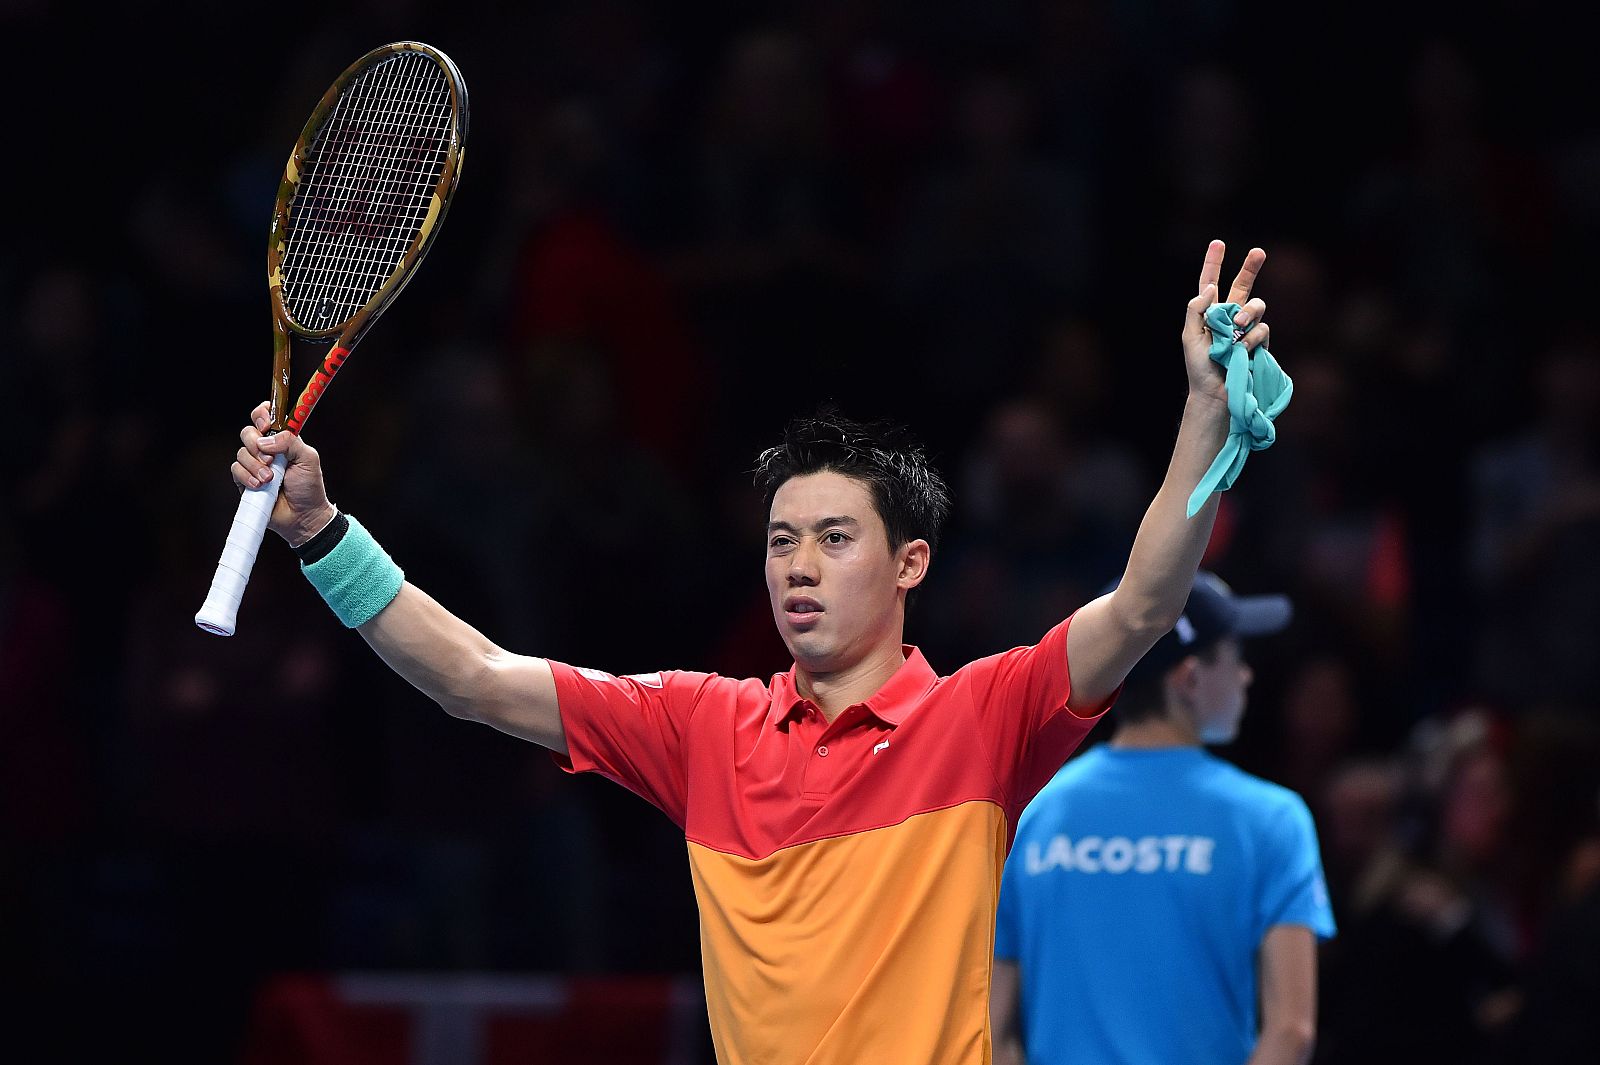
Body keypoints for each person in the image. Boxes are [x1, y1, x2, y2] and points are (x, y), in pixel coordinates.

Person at [228, 241, 1276, 1064]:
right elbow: (470, 678)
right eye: (780, 541)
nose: (798, 567)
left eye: (832, 538)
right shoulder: (701, 727)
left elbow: (1143, 602)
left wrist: (1202, 415)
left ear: (910, 564)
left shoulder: (985, 716)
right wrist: (323, 531)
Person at [991, 571, 1336, 1065]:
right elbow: (1291, 1031)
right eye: (1234, 657)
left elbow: (992, 1028)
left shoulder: (1032, 812)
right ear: (1190, 679)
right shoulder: (1272, 821)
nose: (1246, 676)